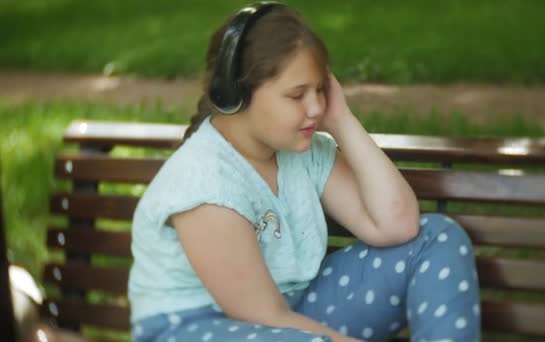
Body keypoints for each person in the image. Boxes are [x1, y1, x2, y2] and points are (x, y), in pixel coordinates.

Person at [128, 2, 481, 341]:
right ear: (237, 93)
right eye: (297, 95)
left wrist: (341, 119)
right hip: (198, 327)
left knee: (436, 238)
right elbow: (265, 317)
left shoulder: (305, 150)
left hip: (295, 311)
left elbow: (398, 225)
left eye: (320, 91)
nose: (315, 108)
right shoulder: (204, 180)